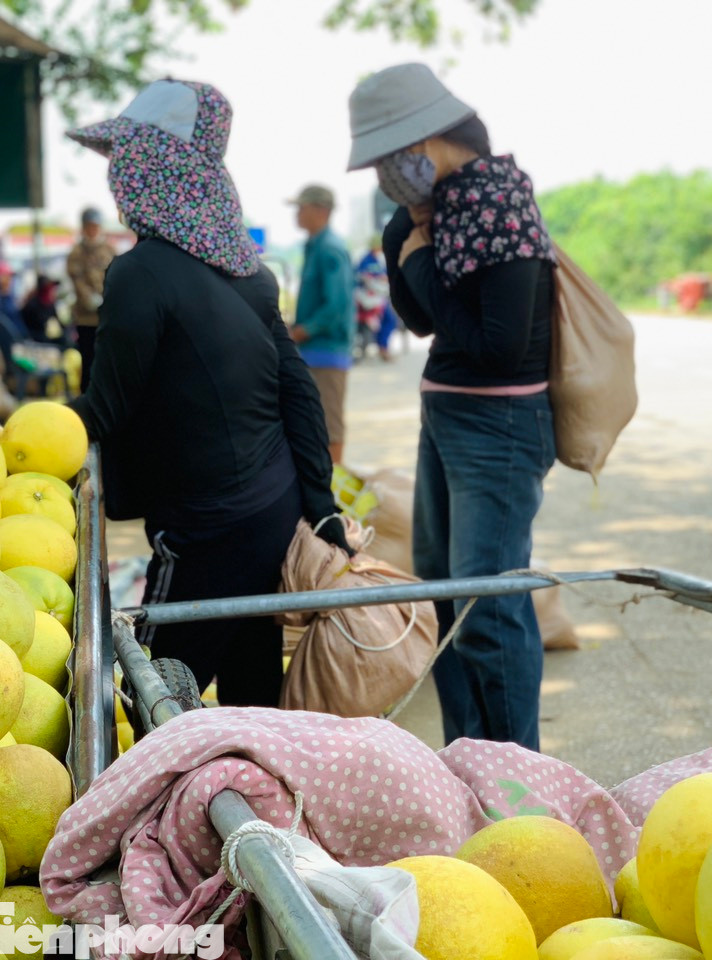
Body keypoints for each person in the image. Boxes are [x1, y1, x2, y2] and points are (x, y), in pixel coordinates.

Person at [67, 80, 348, 706]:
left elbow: (106, 408)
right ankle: (261, 801)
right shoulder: (245, 269)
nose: (116, 178)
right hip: (272, 507)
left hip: (207, 529)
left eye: (123, 160)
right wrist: (319, 503)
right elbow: (298, 393)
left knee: (152, 696)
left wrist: (14, 435)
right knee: (251, 687)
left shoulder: (139, 272)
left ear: (151, 168)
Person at [347, 63, 558, 750]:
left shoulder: (497, 203)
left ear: (429, 140)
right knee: (443, 594)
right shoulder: (440, 210)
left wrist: (414, 261)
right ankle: (469, 755)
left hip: (497, 425)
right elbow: (422, 325)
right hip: (448, 417)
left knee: (487, 604)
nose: (385, 173)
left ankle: (515, 775)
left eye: (388, 158)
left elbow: (496, 347)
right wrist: (402, 241)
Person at [288, 184, 354, 464]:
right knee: (315, 423)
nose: (297, 214)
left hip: (327, 351)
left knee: (329, 424)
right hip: (314, 352)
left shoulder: (330, 249)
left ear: (321, 211)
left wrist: (302, 332)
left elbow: (336, 305)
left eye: (301, 208)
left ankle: (332, 492)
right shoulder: (316, 247)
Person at [65, 207, 115, 392]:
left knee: (106, 361)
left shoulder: (109, 250)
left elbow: (117, 276)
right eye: (89, 226)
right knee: (88, 359)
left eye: (95, 226)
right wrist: (90, 299)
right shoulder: (77, 252)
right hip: (86, 317)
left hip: (106, 317)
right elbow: (76, 279)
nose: (92, 230)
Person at [356, 236, 398, 362]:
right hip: (367, 300)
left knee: (389, 321)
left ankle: (382, 347)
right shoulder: (366, 260)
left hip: (378, 298)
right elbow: (366, 279)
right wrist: (379, 282)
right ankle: (382, 348)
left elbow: (385, 277)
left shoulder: (378, 260)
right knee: (389, 320)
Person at [20, 276, 64, 344]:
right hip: (37, 343)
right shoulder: (31, 306)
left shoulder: (51, 305)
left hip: (53, 341)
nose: (52, 291)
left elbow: (59, 324)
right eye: (49, 289)